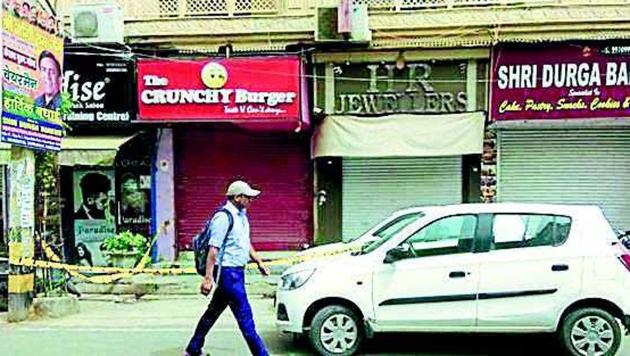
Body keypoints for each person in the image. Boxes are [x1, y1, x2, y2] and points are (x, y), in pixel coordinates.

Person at [185, 180, 270, 356]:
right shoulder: (223, 218)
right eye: (248, 197)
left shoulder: (241, 216)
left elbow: (245, 244)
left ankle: (193, 349)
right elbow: (213, 250)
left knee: (212, 313)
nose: (251, 200)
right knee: (247, 320)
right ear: (238, 197)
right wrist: (208, 278)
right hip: (228, 275)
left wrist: (259, 262)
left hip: (237, 272)